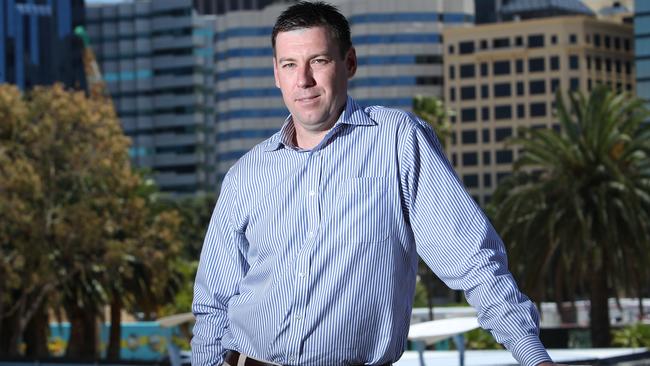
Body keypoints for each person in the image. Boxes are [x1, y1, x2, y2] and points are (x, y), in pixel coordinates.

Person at [192, 2, 559, 365]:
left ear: (349, 63)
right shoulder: (247, 173)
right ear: (276, 73)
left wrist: (533, 356)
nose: (303, 80)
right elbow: (213, 304)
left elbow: (473, 259)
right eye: (290, 65)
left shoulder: (397, 141)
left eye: (318, 61)